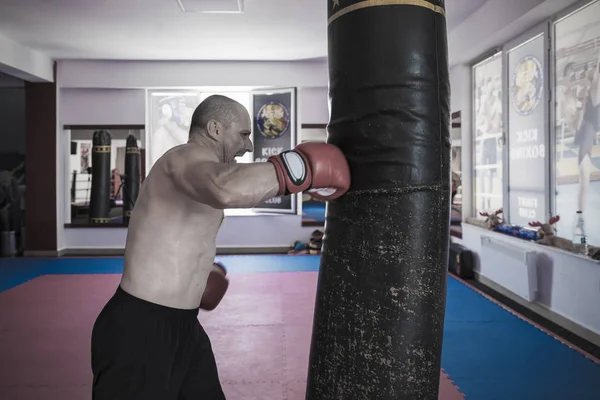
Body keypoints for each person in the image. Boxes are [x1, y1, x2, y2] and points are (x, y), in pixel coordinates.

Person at [90, 95, 351, 400]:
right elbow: (226, 188)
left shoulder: (198, 176)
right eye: (243, 135)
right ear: (214, 128)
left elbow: (179, 234)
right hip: (140, 328)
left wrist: (198, 274)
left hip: (184, 328)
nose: (249, 146)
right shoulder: (183, 158)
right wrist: (302, 167)